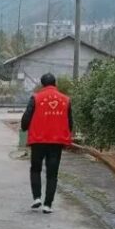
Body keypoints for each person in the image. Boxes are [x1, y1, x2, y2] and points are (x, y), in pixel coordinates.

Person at [21, 73, 73, 214]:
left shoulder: (36, 98)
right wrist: (67, 137)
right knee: (52, 174)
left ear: (42, 84)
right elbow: (70, 122)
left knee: (35, 169)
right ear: (55, 83)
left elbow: (26, 118)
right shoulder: (66, 100)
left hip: (38, 141)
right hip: (56, 143)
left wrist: (24, 127)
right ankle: (47, 205)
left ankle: (37, 197)